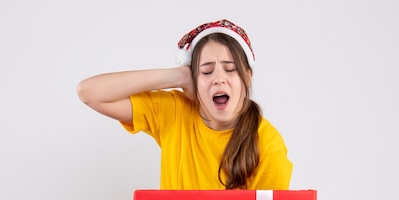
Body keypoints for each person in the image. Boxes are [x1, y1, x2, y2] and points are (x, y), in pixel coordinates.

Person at [76, 19, 292, 190]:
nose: (219, 78)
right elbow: (89, 92)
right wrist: (177, 76)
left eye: (230, 69)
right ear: (193, 79)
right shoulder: (174, 112)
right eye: (206, 71)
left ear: (247, 76)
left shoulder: (268, 143)